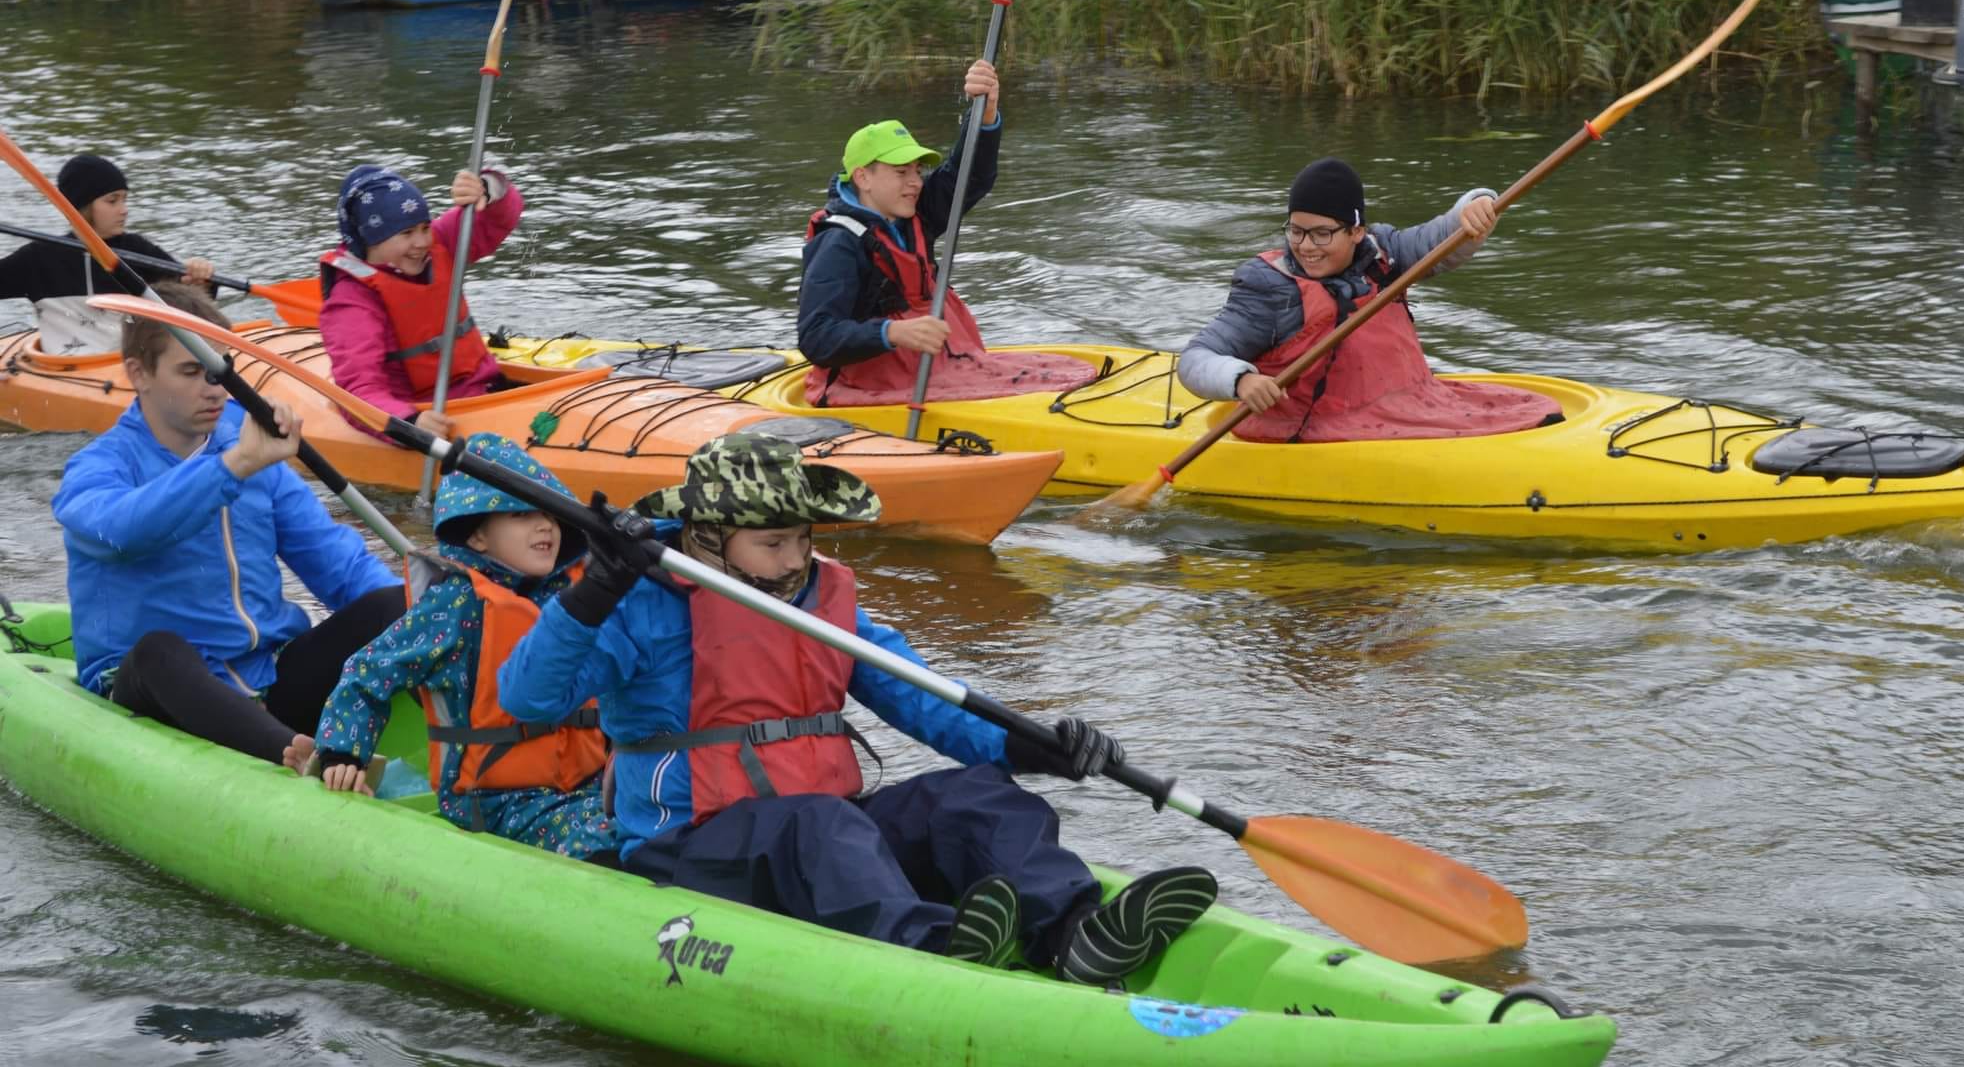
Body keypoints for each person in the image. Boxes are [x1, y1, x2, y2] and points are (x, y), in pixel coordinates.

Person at [496, 432, 1217, 981]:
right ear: (707, 539)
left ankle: (1072, 933)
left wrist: (1026, 746)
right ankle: (935, 955)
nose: (793, 561)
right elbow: (527, 696)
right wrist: (591, 595)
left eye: (804, 539)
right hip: (692, 847)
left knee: (976, 797)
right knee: (823, 826)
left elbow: (919, 696)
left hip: (818, 829)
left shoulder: (821, 600)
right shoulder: (636, 605)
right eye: (772, 542)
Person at [52, 282, 404, 768]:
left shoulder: (254, 453)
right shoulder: (99, 467)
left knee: (395, 601)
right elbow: (121, 533)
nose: (213, 388)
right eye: (192, 371)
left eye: (221, 372)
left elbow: (339, 567)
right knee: (158, 651)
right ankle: (297, 759)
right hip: (156, 692)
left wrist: (427, 619)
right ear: (139, 373)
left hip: (266, 678)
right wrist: (231, 466)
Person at [310, 433, 616, 859]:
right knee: (608, 836)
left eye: (550, 512)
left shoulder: (571, 599)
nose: (545, 524)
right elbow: (367, 673)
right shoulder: (454, 605)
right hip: (496, 800)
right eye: (522, 514)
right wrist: (343, 752)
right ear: (476, 537)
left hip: (586, 785)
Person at [1178, 157, 1562, 443]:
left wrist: (1477, 204)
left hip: (1404, 404)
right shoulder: (1270, 289)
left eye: (1322, 234)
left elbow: (1442, 238)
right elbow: (1197, 358)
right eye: (1296, 231)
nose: (1305, 246)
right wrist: (1241, 380)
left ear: (1357, 231)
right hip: (1309, 429)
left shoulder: (1382, 253)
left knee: (1543, 410)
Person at [795, 59, 1098, 408]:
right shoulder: (838, 242)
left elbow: (968, 175)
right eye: (901, 172)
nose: (914, 182)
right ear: (863, 178)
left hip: (934, 365)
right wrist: (890, 333)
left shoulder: (913, 213)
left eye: (917, 170)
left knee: (1074, 373)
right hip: (868, 384)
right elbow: (816, 336)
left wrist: (984, 113)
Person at [318, 164, 523, 441]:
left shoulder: (442, 242)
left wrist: (486, 188)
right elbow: (357, 390)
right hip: (431, 413)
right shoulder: (351, 302)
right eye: (406, 234)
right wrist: (409, 424)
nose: (421, 242)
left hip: (487, 391)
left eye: (424, 227)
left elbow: (498, 219)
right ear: (369, 240)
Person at [0, 153, 216, 357]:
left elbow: (192, 304)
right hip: (61, 371)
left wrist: (199, 278)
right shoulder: (38, 258)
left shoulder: (137, 250)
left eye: (124, 200)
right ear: (81, 208)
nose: (124, 210)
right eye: (113, 201)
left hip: (127, 367)